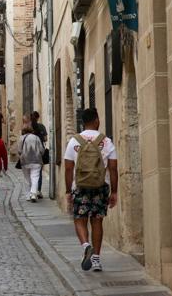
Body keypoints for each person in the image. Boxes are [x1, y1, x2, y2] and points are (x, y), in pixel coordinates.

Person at [64, 108, 118, 272]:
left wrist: (68, 191)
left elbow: (68, 168)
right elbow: (113, 168)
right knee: (97, 221)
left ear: (82, 122)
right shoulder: (106, 141)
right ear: (96, 120)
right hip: (100, 187)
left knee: (79, 219)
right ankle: (96, 260)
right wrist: (114, 192)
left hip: (80, 186)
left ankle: (86, 246)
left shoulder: (74, 142)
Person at [17, 126, 44, 202]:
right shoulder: (36, 138)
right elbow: (42, 150)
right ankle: (33, 194)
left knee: (27, 178)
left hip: (25, 161)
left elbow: (19, 151)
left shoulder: (22, 138)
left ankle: (28, 195)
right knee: (35, 177)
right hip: (36, 161)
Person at [31, 111, 48, 198]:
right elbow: (45, 139)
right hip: (39, 152)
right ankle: (38, 190)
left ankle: (32, 191)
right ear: (38, 118)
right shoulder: (41, 127)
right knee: (39, 171)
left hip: (30, 152)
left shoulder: (29, 127)